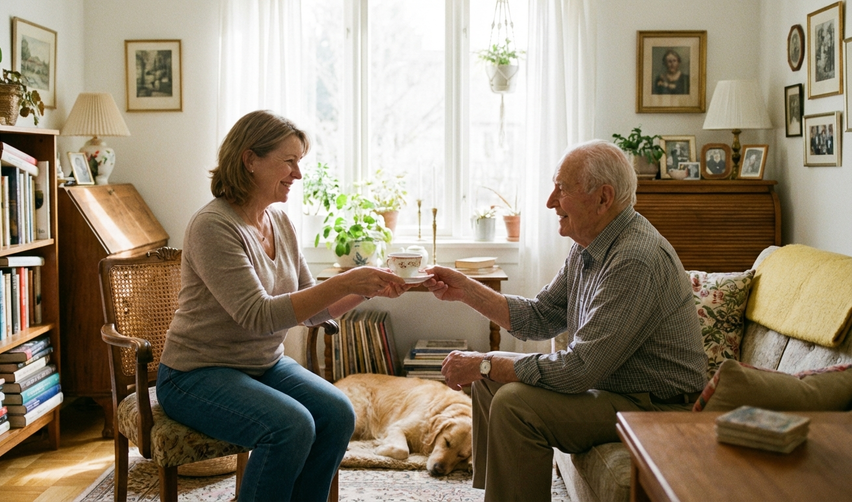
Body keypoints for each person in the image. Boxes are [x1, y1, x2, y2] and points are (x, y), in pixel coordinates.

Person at [423, 140, 707, 501]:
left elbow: (579, 370)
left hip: (659, 408)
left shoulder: (635, 259)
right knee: (489, 383)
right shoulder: (588, 246)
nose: (550, 202)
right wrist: (465, 290)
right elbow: (540, 317)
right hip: (618, 390)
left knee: (512, 401)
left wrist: (484, 364)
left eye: (562, 189)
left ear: (604, 198)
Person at [156, 110, 408, 502]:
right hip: (195, 374)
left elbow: (311, 309)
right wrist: (346, 279)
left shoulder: (281, 222)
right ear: (249, 159)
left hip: (262, 365)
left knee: (338, 413)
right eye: (289, 161)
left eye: (299, 162)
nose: (298, 174)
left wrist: (371, 288)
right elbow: (258, 315)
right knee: (290, 425)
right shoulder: (213, 226)